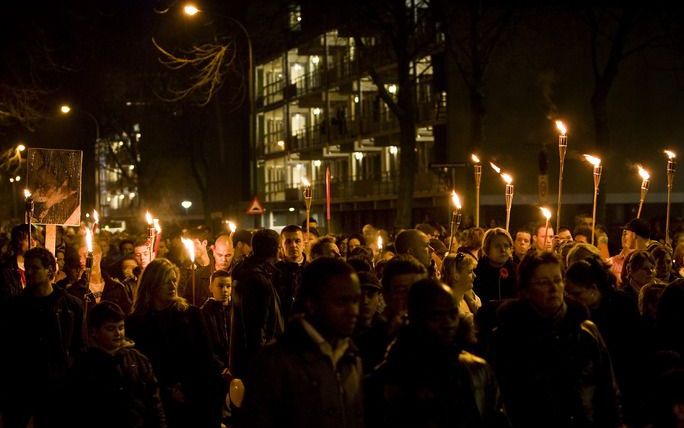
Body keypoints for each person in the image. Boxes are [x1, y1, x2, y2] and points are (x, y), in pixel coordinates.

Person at [491, 251, 621, 428]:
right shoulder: (508, 338)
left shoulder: (585, 332)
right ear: (526, 290)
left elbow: (607, 393)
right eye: (543, 283)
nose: (553, 288)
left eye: (557, 280)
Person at [243, 257, 363, 428]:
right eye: (341, 302)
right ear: (311, 303)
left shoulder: (351, 356)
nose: (353, 311)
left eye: (355, 301)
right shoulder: (276, 362)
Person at [376, 278, 508, 428]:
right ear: (414, 318)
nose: (448, 323)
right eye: (437, 316)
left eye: (453, 314)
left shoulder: (477, 369)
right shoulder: (389, 376)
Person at [125, 258, 223, 428]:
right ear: (152, 285)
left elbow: (205, 355)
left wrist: (187, 388)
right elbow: (142, 364)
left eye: (173, 280)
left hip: (195, 396)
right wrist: (168, 390)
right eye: (166, 281)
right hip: (159, 400)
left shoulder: (191, 314)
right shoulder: (136, 322)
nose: (172, 286)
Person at [2, 247, 84, 427]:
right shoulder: (15, 307)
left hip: (58, 383)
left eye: (35, 268)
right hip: (24, 384)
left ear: (50, 271)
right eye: (27, 268)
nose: (29, 272)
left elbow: (78, 344)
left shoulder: (71, 306)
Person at [565, 256, 645, 424]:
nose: (570, 298)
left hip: (626, 385)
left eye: (576, 293)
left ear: (593, 288)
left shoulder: (622, 304)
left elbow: (635, 349)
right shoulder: (575, 313)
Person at [71, 301, 166, 428]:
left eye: (121, 327)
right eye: (110, 328)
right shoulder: (84, 363)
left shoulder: (137, 359)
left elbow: (154, 400)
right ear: (95, 331)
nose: (118, 333)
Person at [231, 229, 285, 379]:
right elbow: (257, 327)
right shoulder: (257, 280)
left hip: (245, 360)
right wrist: (263, 365)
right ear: (275, 249)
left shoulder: (244, 271)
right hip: (257, 365)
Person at [352, 270, 389, 373]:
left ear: (378, 298)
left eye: (370, 295)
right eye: (360, 296)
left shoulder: (386, 330)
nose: (365, 301)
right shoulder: (342, 332)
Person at [200, 269, 232, 376]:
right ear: (211, 287)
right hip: (214, 371)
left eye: (228, 286)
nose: (225, 290)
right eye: (220, 286)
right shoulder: (205, 313)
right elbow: (206, 345)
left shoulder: (236, 310)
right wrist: (221, 368)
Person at [473, 228, 517, 304]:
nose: (503, 250)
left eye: (506, 246)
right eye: (497, 246)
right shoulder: (477, 273)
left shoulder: (518, 271)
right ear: (487, 249)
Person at [441, 251, 482, 317]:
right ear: (455, 275)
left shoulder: (471, 298)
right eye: (470, 272)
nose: (474, 276)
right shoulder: (445, 307)